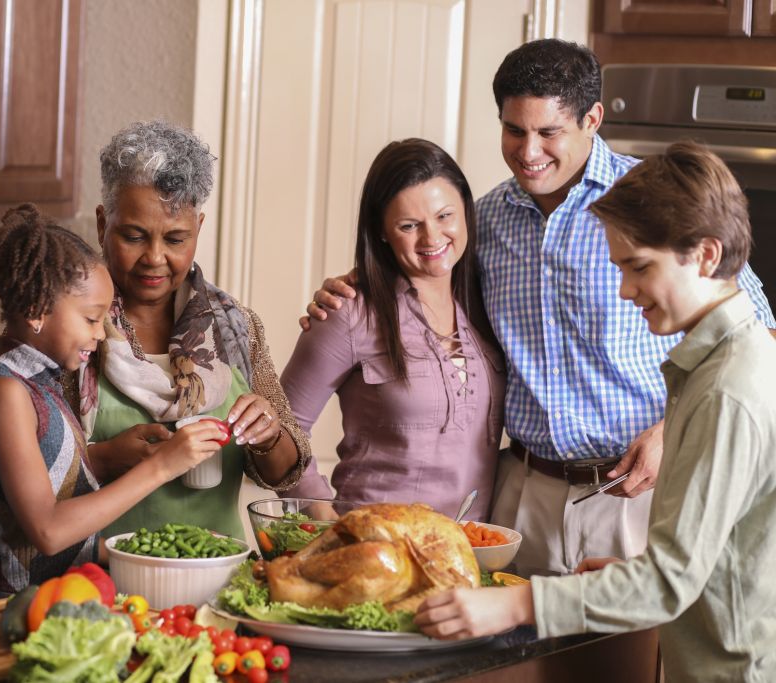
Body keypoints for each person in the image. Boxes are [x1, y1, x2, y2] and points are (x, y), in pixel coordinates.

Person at [302, 40, 775, 575]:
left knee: (636, 658)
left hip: (641, 493)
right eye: (514, 130)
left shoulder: (653, 202)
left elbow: (758, 341)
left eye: (549, 133)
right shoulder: (484, 223)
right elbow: (419, 274)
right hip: (521, 497)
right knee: (518, 654)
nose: (529, 152)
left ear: (592, 119)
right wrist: (353, 289)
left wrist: (675, 429)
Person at [415, 141, 776, 682]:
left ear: (705, 253)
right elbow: (722, 553)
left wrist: (517, 604)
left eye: (638, 268)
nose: (626, 290)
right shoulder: (720, 365)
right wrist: (632, 576)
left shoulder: (727, 388)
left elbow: (670, 583)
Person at [0, 204, 227, 597]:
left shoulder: (44, 383)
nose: (102, 334)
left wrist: (162, 551)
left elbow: (65, 529)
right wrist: (161, 466)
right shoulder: (7, 392)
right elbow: (48, 533)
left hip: (69, 595)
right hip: (16, 606)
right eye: (91, 319)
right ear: (37, 311)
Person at [80, 121, 311, 540]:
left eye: (175, 239)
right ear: (102, 224)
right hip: (100, 585)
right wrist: (105, 457)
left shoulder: (234, 327)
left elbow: (284, 471)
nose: (154, 257)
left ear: (198, 230)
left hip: (216, 580)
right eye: (134, 236)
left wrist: (269, 433)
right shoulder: (73, 324)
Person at [279, 139, 504, 519]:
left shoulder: (491, 302)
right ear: (382, 231)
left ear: (466, 211)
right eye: (409, 225)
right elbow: (278, 426)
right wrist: (326, 521)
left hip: (469, 554)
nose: (432, 238)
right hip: (373, 552)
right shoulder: (347, 311)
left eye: (445, 216)